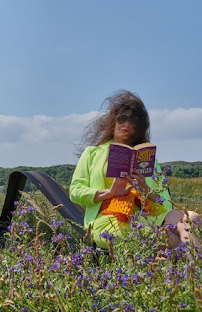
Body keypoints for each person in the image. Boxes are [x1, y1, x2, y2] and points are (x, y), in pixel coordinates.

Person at [69, 91, 201, 250]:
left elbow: (167, 203)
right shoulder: (92, 153)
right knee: (172, 238)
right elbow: (75, 191)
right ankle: (192, 262)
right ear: (113, 121)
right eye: (122, 118)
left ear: (140, 128)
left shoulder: (148, 160)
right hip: (109, 219)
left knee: (192, 217)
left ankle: (192, 258)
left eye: (134, 121)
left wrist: (146, 190)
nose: (126, 124)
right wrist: (109, 193)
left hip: (147, 217)